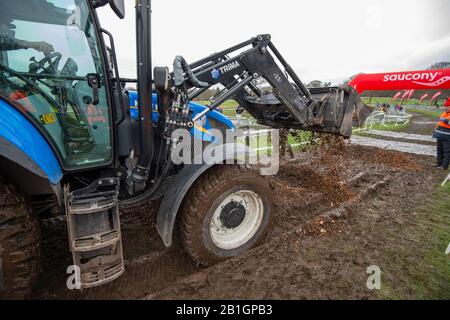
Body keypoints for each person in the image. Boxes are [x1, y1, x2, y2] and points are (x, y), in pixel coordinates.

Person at [433, 97, 450, 170]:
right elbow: (440, 123)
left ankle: (444, 165)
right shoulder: (444, 113)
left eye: (448, 106)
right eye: (445, 106)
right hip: (439, 134)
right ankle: (438, 163)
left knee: (447, 151)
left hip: (447, 136)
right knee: (439, 149)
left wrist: (446, 120)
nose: (445, 108)